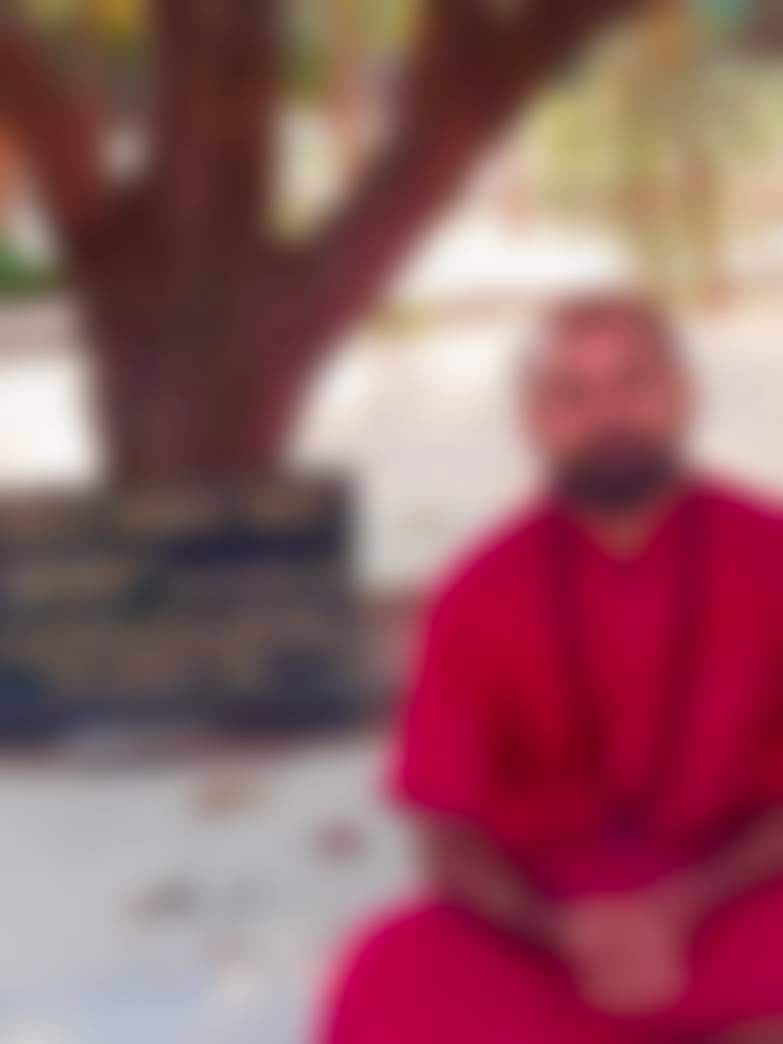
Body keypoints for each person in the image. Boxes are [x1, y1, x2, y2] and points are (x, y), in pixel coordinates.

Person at [319, 294, 783, 1044]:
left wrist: (680, 909)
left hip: (737, 902)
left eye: (633, 382)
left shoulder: (769, 553)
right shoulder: (478, 590)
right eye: (572, 393)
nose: (608, 414)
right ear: (533, 419)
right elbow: (444, 831)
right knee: (387, 971)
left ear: (682, 395)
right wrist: (562, 931)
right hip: (548, 936)